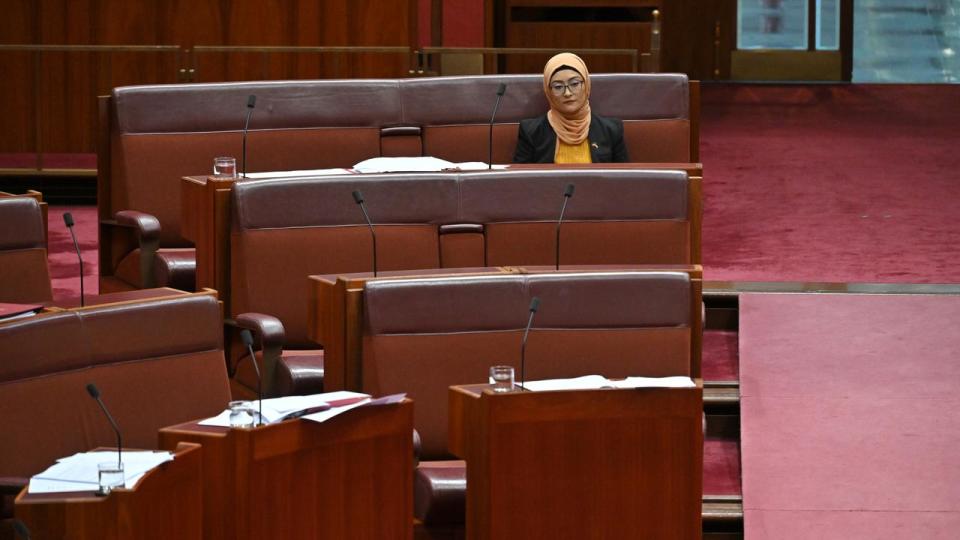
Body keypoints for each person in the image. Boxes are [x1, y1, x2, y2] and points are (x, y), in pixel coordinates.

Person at [513, 52, 629, 164]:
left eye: (574, 84)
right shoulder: (531, 132)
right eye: (558, 86)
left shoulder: (611, 130)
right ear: (549, 92)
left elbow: (623, 179)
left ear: (586, 86)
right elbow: (519, 180)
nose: (567, 93)